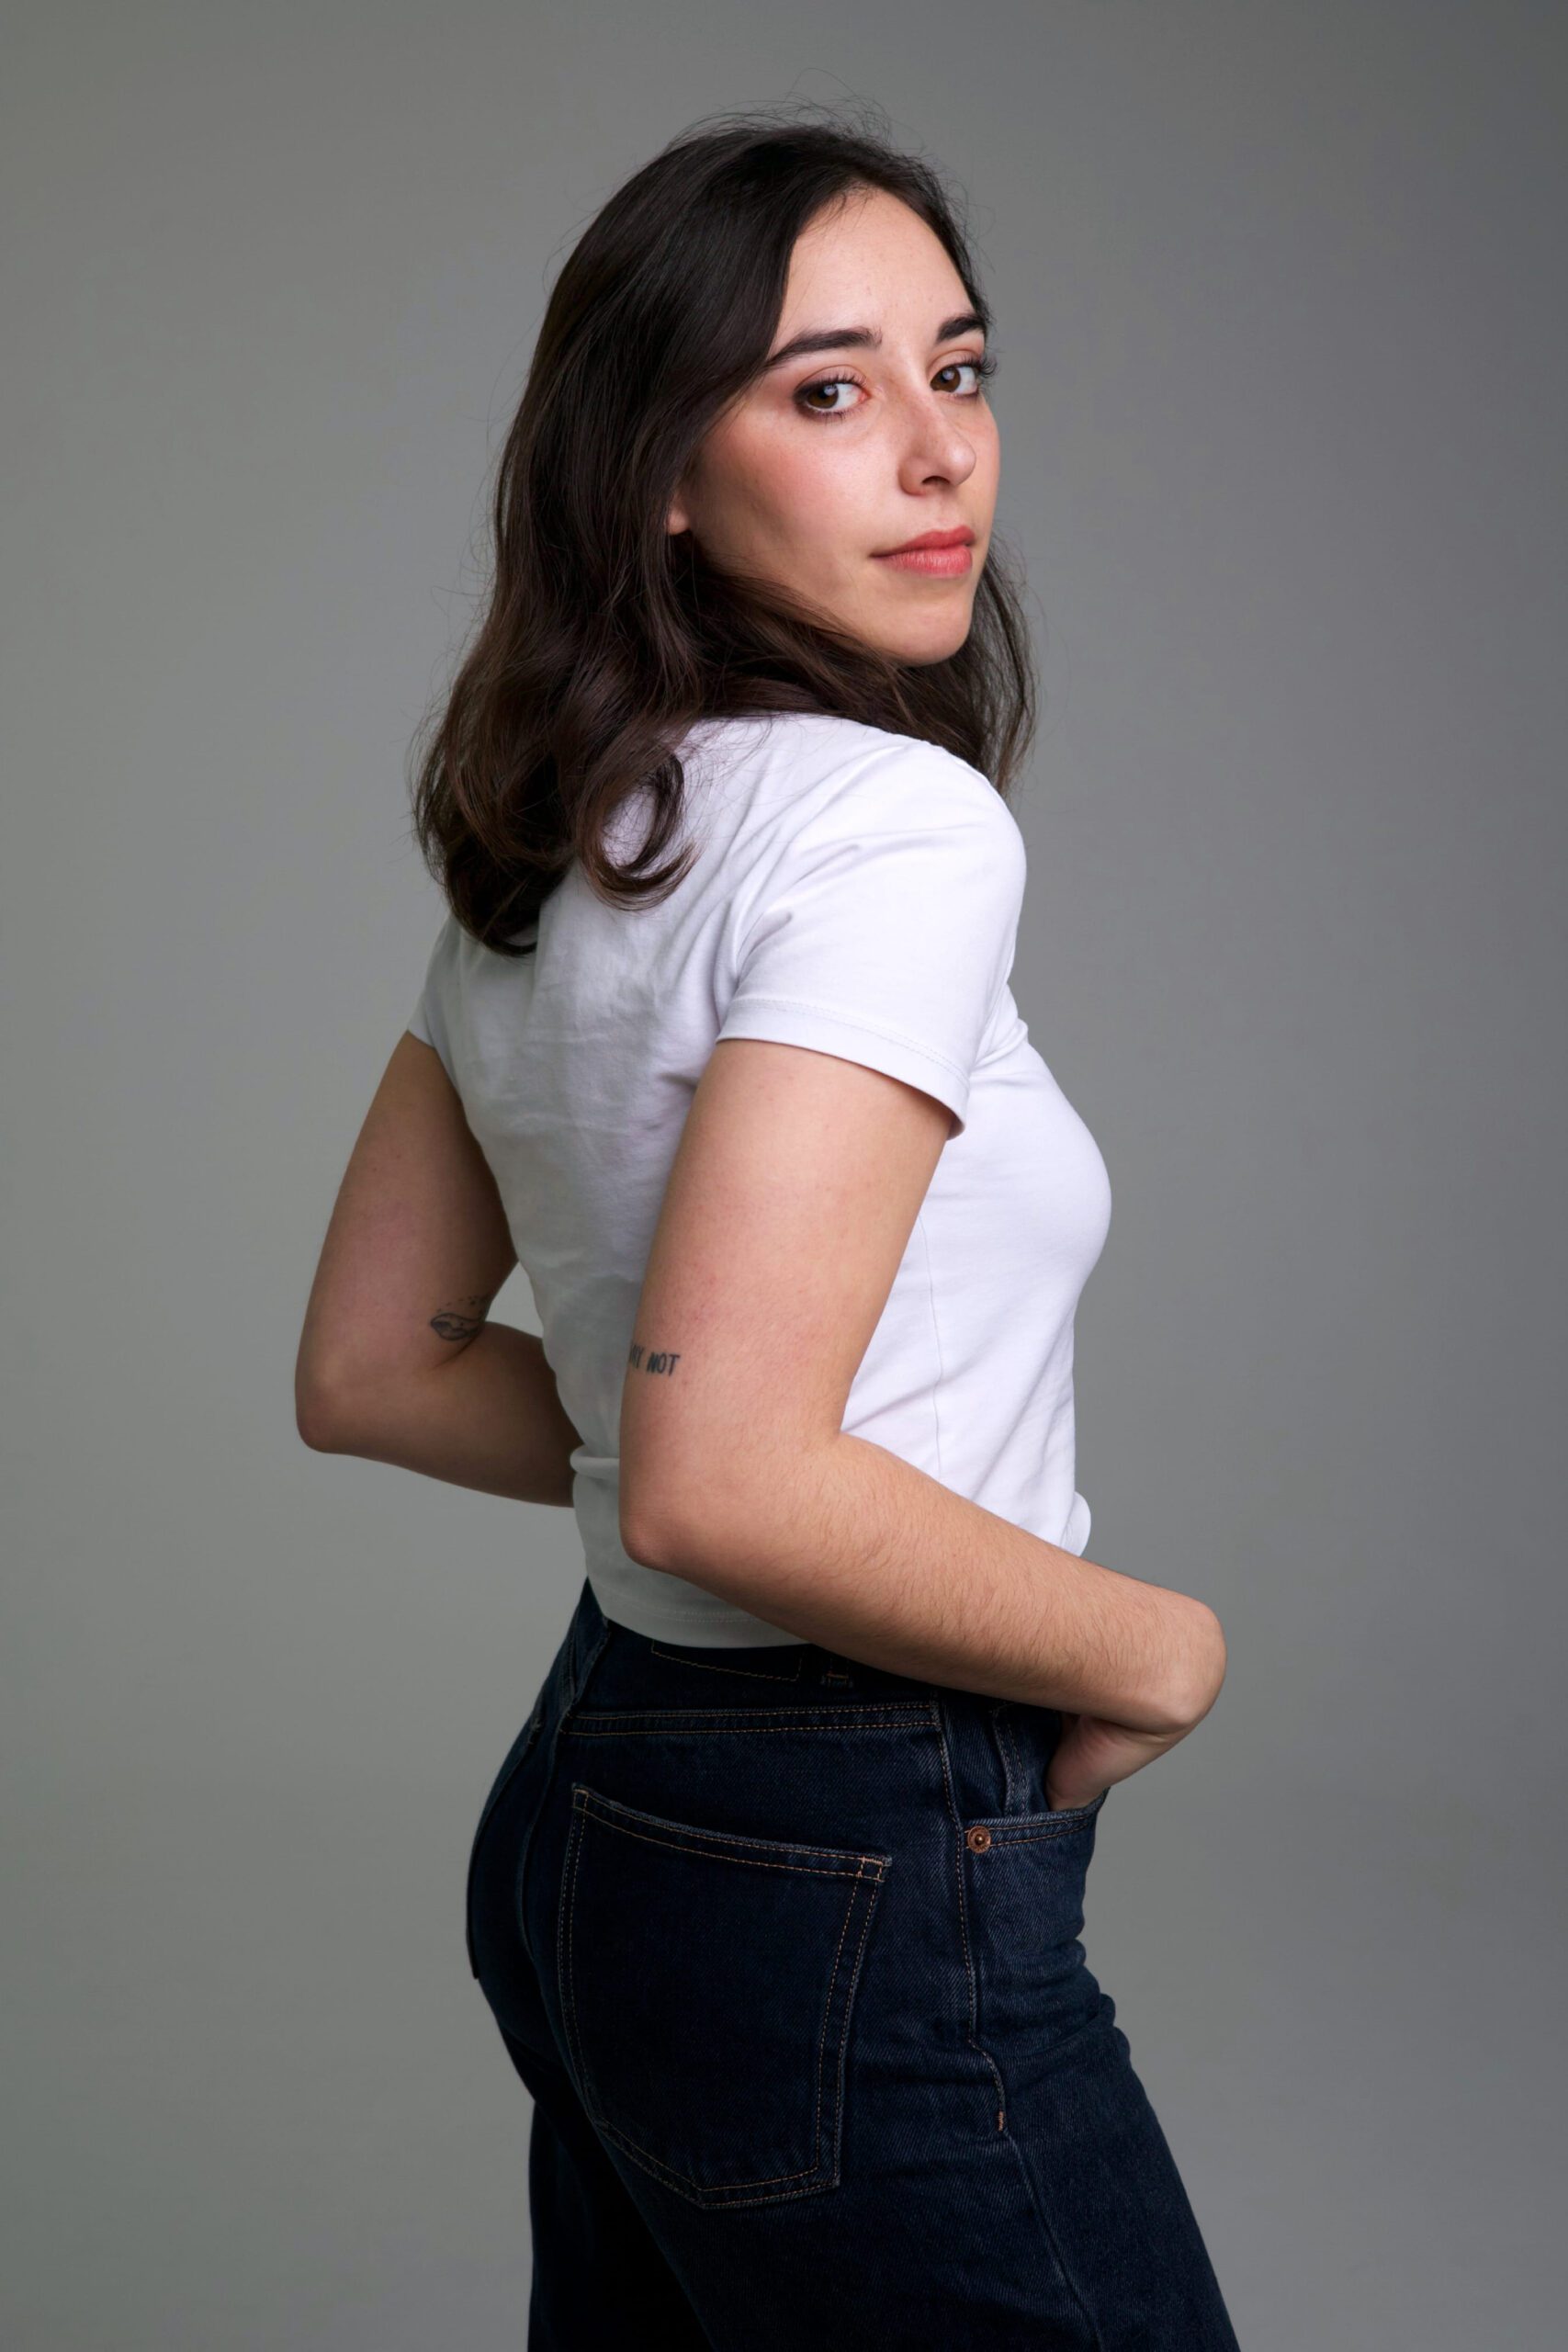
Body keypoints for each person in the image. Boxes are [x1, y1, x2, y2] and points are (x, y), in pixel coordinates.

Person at [296, 100, 1241, 2351]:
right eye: (826, 390)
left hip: (600, 1801)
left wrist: (685, 1429)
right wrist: (1150, 1645)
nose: (936, 447)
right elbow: (719, 1475)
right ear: (656, 465)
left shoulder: (562, 847)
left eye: (958, 368)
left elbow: (373, 1367)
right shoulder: (895, 830)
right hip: (849, 1825)